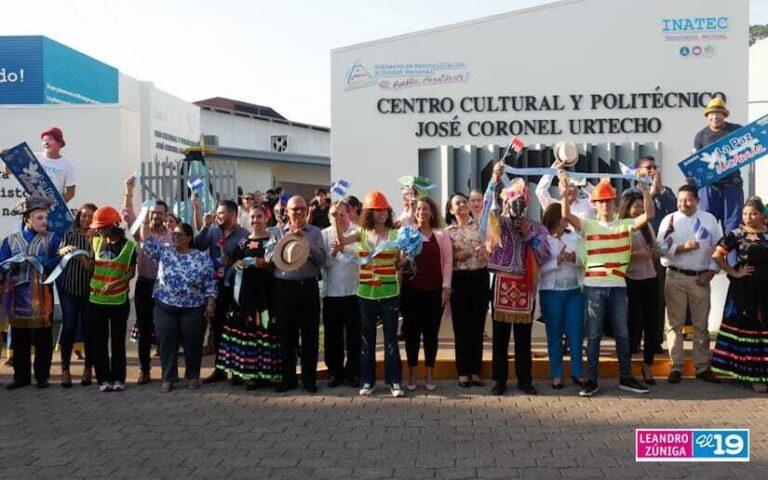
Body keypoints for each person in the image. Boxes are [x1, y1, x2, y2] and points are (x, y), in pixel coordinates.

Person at [561, 176, 653, 397]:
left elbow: (648, 215)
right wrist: (564, 193)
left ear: (614, 203)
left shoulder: (625, 224)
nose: (605, 205)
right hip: (594, 287)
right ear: (594, 204)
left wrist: (646, 190)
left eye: (609, 201)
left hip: (618, 286)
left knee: (623, 334)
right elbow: (565, 215)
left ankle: (626, 377)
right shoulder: (588, 225)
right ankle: (592, 380)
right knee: (593, 335)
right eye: (602, 201)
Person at [485, 164, 551, 396]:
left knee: (524, 337)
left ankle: (525, 379)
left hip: (524, 283)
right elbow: (487, 211)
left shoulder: (535, 226)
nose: (517, 207)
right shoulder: (497, 224)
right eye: (513, 202)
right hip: (503, 280)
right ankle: (499, 380)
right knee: (500, 336)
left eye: (521, 202)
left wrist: (529, 235)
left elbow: (545, 254)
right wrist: (494, 182)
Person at [335, 190, 406, 397]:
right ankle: (367, 381)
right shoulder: (361, 233)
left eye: (385, 209)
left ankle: (394, 382)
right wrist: (337, 219)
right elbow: (341, 242)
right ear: (370, 212)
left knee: (391, 339)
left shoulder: (395, 234)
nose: (382, 213)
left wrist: (408, 257)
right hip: (365, 293)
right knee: (367, 340)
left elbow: (397, 264)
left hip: (390, 292)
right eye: (378, 210)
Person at [657, 184, 723, 384]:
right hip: (675, 276)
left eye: (687, 200)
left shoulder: (709, 219)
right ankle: (676, 366)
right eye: (680, 200)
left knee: (701, 325)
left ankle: (702, 367)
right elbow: (660, 248)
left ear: (697, 200)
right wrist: (681, 248)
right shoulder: (670, 220)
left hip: (700, 278)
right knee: (674, 325)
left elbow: (720, 247)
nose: (683, 204)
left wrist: (711, 271)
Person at [141, 220, 217, 392]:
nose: (175, 236)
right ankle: (168, 377)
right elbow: (147, 242)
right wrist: (144, 219)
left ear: (189, 237)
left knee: (193, 343)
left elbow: (210, 282)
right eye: (173, 233)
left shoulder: (201, 257)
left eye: (179, 234)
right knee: (166, 342)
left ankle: (193, 376)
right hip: (165, 305)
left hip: (193, 307)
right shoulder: (165, 252)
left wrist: (211, 303)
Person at [216, 205, 281, 390]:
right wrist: (235, 264)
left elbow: (279, 266)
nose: (255, 221)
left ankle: (268, 374)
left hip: (267, 297)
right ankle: (249, 373)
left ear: (266, 218)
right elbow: (231, 264)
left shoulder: (273, 240)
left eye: (259, 217)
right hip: (246, 298)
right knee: (248, 334)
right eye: (252, 217)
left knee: (267, 332)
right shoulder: (242, 243)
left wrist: (266, 265)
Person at [0, 196, 61, 389]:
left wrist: (40, 260)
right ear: (28, 219)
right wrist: (12, 264)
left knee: (43, 337)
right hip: (18, 296)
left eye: (45, 218)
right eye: (40, 218)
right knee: (20, 338)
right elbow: (2, 264)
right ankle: (21, 377)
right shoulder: (10, 241)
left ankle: (42, 377)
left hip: (43, 296)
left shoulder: (53, 239)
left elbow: (58, 263)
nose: (45, 222)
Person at [269, 196, 326, 393]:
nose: (300, 212)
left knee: (309, 336)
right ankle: (288, 379)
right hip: (284, 288)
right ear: (287, 211)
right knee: (286, 336)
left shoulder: (315, 232)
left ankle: (309, 380)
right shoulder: (277, 231)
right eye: (295, 209)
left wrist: (305, 245)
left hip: (307, 286)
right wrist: (284, 243)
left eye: (303, 208)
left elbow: (322, 259)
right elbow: (268, 256)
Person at [710, 197, 768, 392]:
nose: (748, 217)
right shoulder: (736, 234)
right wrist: (734, 272)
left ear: (762, 216)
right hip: (744, 289)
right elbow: (717, 254)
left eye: (753, 214)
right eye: (745, 214)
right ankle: (753, 376)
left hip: (765, 288)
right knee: (747, 326)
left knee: (764, 327)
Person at [123, 176, 173, 384]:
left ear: (166, 215)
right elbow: (127, 214)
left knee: (165, 329)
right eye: (153, 213)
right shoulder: (140, 232)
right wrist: (129, 189)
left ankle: (168, 372)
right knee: (144, 328)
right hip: (144, 284)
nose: (156, 217)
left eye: (160, 214)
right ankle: (144, 369)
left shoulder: (173, 236)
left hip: (165, 287)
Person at [195, 199, 249, 384]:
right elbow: (198, 245)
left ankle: (236, 371)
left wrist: (234, 262)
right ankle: (219, 369)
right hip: (215, 287)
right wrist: (204, 226)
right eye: (217, 213)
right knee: (217, 330)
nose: (218, 216)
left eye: (221, 213)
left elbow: (248, 259)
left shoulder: (244, 235)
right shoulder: (213, 231)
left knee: (235, 329)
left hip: (234, 289)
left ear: (233, 215)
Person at [401, 196, 452, 391]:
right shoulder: (408, 232)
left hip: (434, 292)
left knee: (431, 334)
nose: (422, 212)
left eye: (426, 209)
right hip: (411, 291)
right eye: (419, 209)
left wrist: (446, 287)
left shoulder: (441, 235)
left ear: (432, 212)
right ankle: (413, 374)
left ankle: (430, 373)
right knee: (411, 334)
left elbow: (448, 261)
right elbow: (400, 261)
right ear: (415, 212)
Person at [87, 206, 137, 392]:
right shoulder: (96, 242)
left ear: (112, 226)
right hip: (96, 300)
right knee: (99, 340)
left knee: (117, 341)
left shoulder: (129, 247)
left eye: (101, 226)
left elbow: (131, 274)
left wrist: (114, 285)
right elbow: (90, 267)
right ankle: (103, 380)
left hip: (118, 301)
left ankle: (118, 379)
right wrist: (72, 254)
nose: (98, 229)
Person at [538, 203, 584, 390]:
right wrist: (557, 262)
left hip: (574, 291)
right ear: (557, 219)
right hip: (551, 292)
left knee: (576, 334)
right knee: (554, 334)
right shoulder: (542, 240)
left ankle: (577, 373)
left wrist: (574, 258)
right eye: (564, 216)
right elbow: (539, 269)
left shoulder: (575, 237)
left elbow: (585, 259)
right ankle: (556, 375)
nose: (568, 218)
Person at [445, 192, 489, 388]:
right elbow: (445, 259)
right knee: (461, 327)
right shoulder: (447, 232)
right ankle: (463, 371)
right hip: (459, 279)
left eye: (464, 202)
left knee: (477, 325)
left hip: (479, 277)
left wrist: (486, 252)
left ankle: (475, 371)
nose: (462, 205)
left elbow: (492, 249)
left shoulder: (481, 226)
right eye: (457, 203)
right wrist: (457, 256)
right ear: (451, 209)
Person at [635, 155, 676, 355]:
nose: (651, 170)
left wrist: (659, 190)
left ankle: (654, 340)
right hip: (637, 250)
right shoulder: (631, 192)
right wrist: (649, 192)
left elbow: (675, 212)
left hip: (658, 250)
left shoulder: (666, 193)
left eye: (654, 167)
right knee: (635, 300)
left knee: (657, 299)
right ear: (638, 171)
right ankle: (634, 340)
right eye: (646, 167)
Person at [619, 189, 659, 385]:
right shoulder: (621, 227)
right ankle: (626, 368)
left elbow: (655, 249)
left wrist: (663, 247)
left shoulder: (647, 227)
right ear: (626, 208)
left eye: (641, 207)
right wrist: (636, 255)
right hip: (630, 281)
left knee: (651, 324)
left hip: (650, 278)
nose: (639, 211)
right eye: (636, 207)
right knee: (630, 325)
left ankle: (647, 365)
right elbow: (617, 255)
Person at [320, 201, 361, 388]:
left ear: (349, 214)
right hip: (332, 293)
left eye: (341, 214)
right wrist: (333, 254)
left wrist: (344, 248)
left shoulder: (358, 232)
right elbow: (322, 262)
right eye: (333, 215)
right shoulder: (324, 235)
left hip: (354, 292)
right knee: (332, 336)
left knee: (354, 336)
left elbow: (362, 256)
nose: (338, 218)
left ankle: (353, 372)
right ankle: (335, 372)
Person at [57, 203, 97, 388]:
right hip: (69, 288)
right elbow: (60, 250)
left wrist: (84, 252)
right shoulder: (69, 234)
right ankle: (65, 369)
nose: (86, 219)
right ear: (78, 217)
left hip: (89, 290)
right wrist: (62, 250)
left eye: (90, 216)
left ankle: (88, 368)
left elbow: (91, 265)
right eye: (83, 216)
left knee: (90, 329)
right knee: (69, 326)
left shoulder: (98, 237)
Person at [694, 97, 743, 233]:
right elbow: (696, 163)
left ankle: (732, 254)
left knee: (733, 228)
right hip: (710, 188)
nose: (715, 117)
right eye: (711, 113)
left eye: (718, 113)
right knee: (707, 226)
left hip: (732, 186)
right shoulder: (700, 136)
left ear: (724, 115)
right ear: (707, 116)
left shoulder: (736, 130)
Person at [36, 127, 77, 202]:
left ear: (60, 143)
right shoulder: (34, 157)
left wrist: (57, 206)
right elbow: (9, 171)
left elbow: (70, 192)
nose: (46, 143)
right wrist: (7, 157)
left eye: (50, 140)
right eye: (44, 140)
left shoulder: (67, 165)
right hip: (33, 207)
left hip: (53, 207)